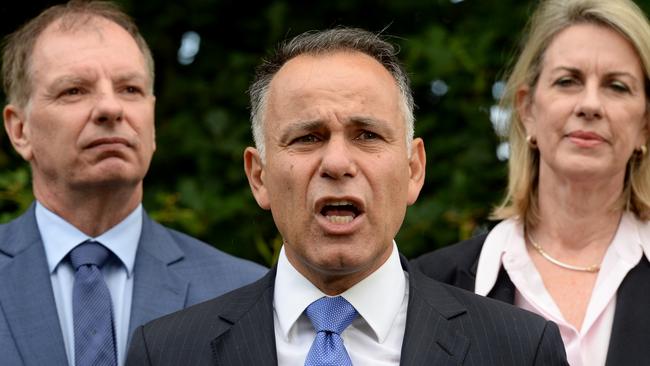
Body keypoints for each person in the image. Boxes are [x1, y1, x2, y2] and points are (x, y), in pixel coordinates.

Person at [125, 27, 568, 366]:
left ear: (414, 169)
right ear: (258, 176)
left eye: (367, 134)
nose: (337, 163)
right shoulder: (165, 351)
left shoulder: (519, 349)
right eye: (307, 138)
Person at [0, 2, 266, 365]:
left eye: (130, 89)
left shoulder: (246, 295)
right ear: (19, 130)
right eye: (74, 90)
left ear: (152, 121)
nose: (111, 108)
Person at [414, 0, 650, 365]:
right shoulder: (430, 286)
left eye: (617, 86)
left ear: (645, 125)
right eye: (567, 81)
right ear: (527, 110)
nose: (590, 105)